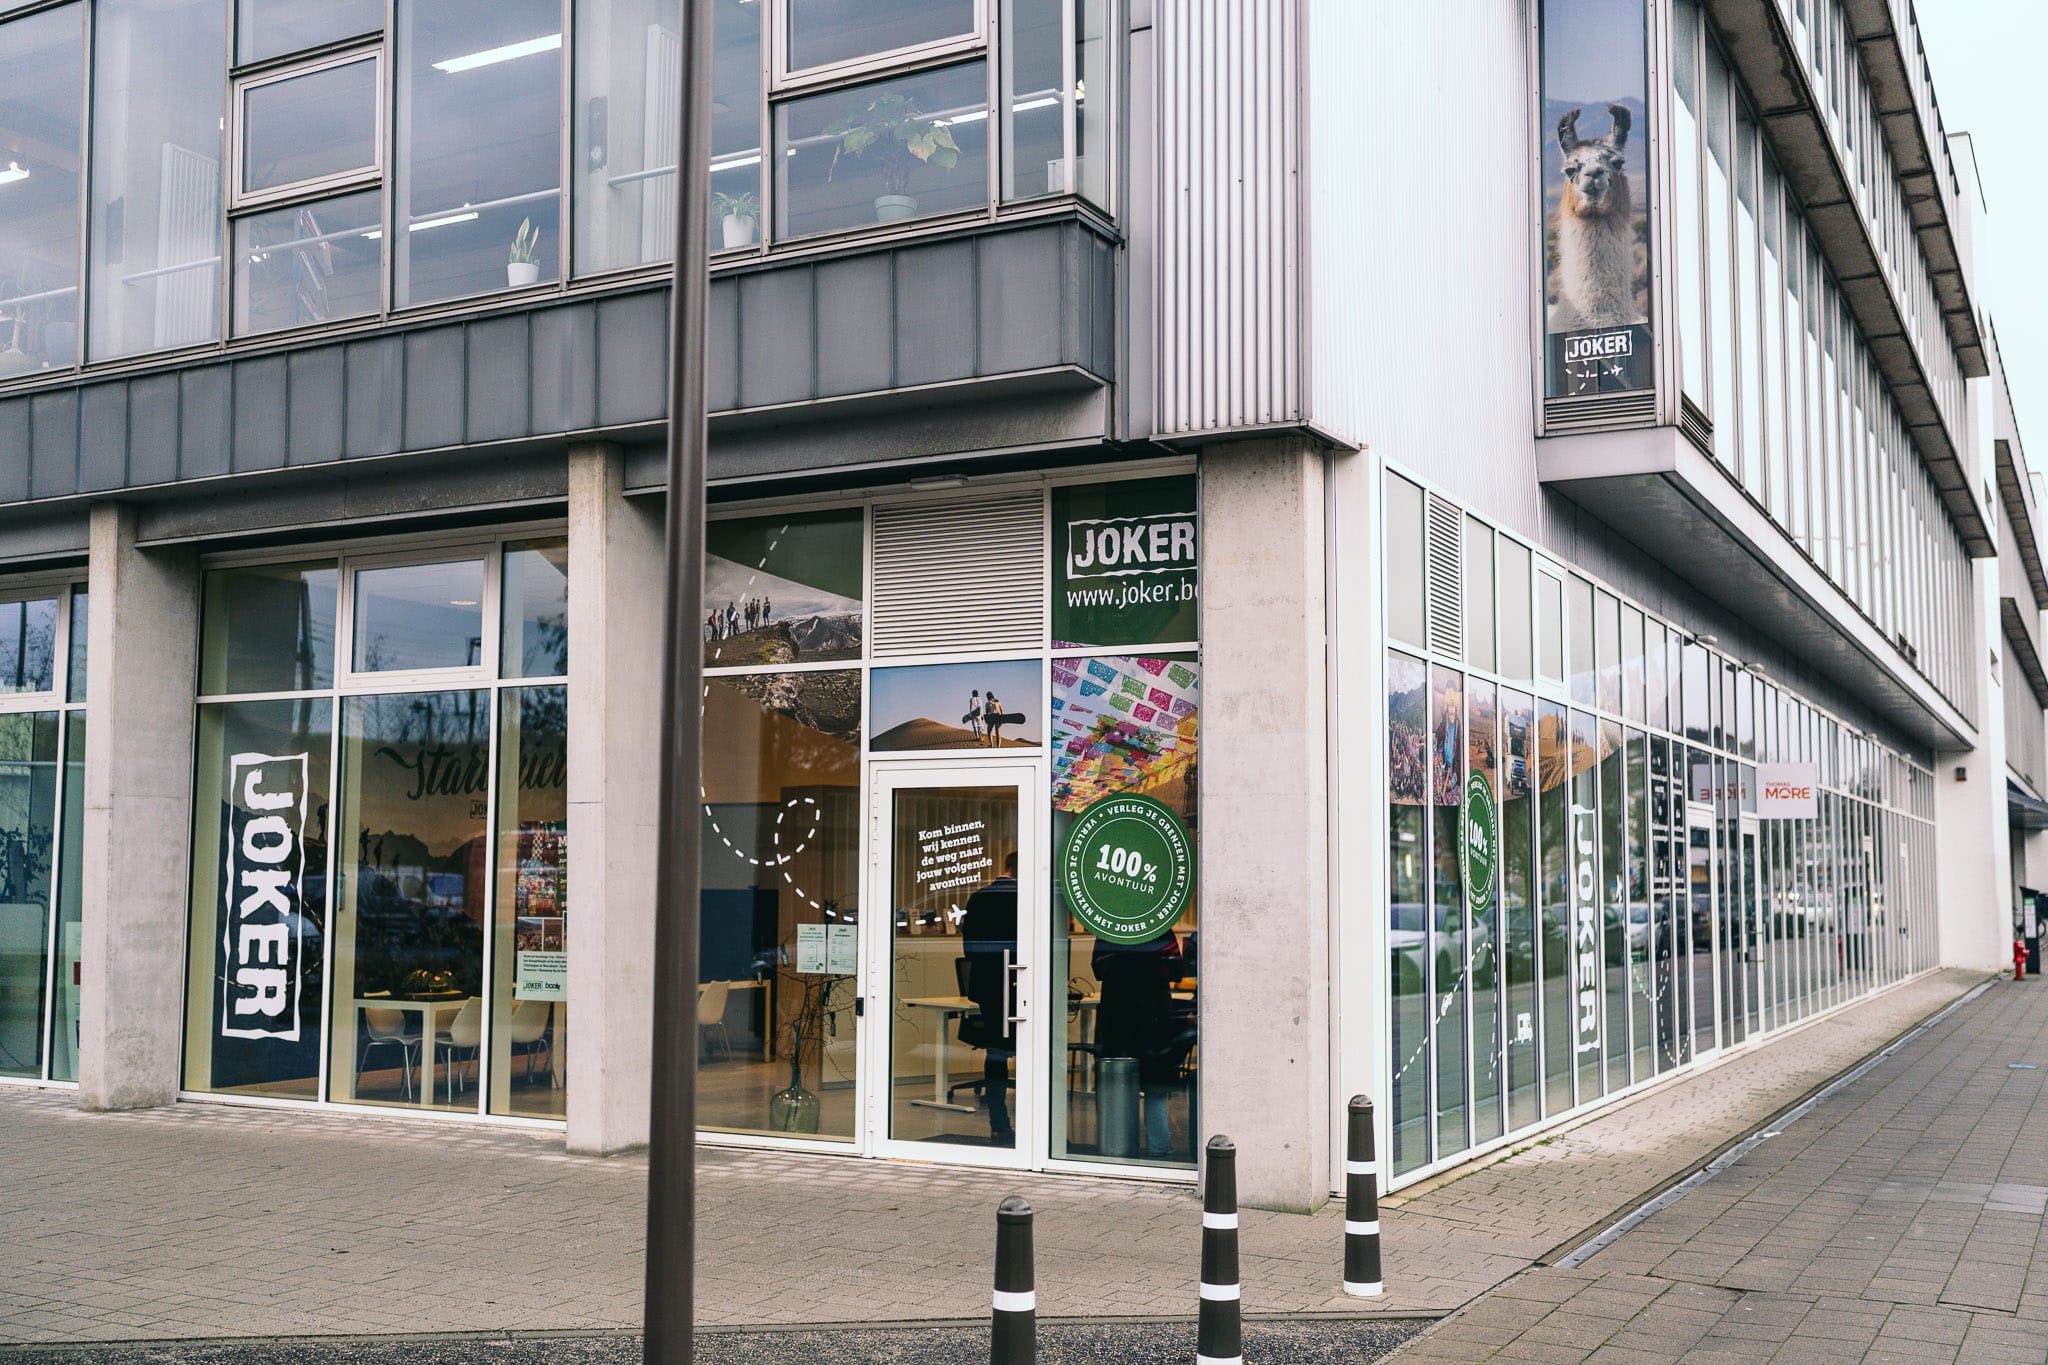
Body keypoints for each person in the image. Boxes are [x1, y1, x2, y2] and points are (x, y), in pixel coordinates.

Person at [1093, 930, 1188, 1160]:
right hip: (1153, 1012)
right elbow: (1176, 970)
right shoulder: (1159, 929)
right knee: (1155, 1083)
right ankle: (1159, 1147)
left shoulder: (1108, 928)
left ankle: (1120, 1145)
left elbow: (1098, 969)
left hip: (1117, 1010)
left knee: (1120, 1082)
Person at [959, 852, 1020, 1145]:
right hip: (1021, 984)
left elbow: (969, 949)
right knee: (1031, 1050)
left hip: (989, 986)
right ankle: (1039, 1128)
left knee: (996, 1052)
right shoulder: (1027, 897)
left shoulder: (978, 897)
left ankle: (999, 1123)